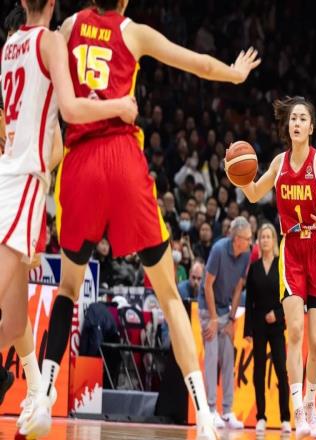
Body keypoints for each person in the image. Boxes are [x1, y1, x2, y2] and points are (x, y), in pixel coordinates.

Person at [26, 0, 260, 438]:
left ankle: (43, 396)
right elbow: (196, 63)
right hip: (122, 159)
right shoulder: (133, 32)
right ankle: (204, 416)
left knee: (68, 290)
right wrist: (233, 73)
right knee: (169, 296)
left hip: (79, 163)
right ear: (124, 2)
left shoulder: (70, 25)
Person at [0, 0, 136, 434]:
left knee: (14, 319)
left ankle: (34, 391)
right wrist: (119, 105)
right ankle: (33, 391)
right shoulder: (51, 42)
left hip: (12, 177)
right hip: (23, 182)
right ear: (53, 5)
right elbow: (73, 112)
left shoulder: (9, 47)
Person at [234, 96, 316, 439]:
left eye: (302, 119)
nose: (296, 123)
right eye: (293, 118)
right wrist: (238, 174)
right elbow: (254, 194)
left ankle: (311, 405)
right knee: (294, 332)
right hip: (292, 252)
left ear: (311, 127)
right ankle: (298, 412)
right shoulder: (279, 163)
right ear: (288, 126)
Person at [198, 216, 251, 429]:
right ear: (236, 239)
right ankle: (210, 410)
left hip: (225, 310)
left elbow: (238, 288)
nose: (250, 242)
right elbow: (207, 285)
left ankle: (227, 411)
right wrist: (212, 318)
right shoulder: (219, 250)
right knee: (211, 357)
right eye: (247, 238)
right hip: (207, 308)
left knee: (228, 357)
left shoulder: (246, 255)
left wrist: (230, 319)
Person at [243, 223, 290, 434]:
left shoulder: (282, 266)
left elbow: (288, 297)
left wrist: (278, 314)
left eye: (268, 236)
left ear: (274, 240)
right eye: (262, 237)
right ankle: (260, 416)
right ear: (259, 241)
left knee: (281, 370)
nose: (265, 240)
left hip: (277, 325)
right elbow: (249, 301)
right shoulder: (254, 268)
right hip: (259, 325)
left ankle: (285, 418)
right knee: (259, 371)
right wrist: (247, 331)